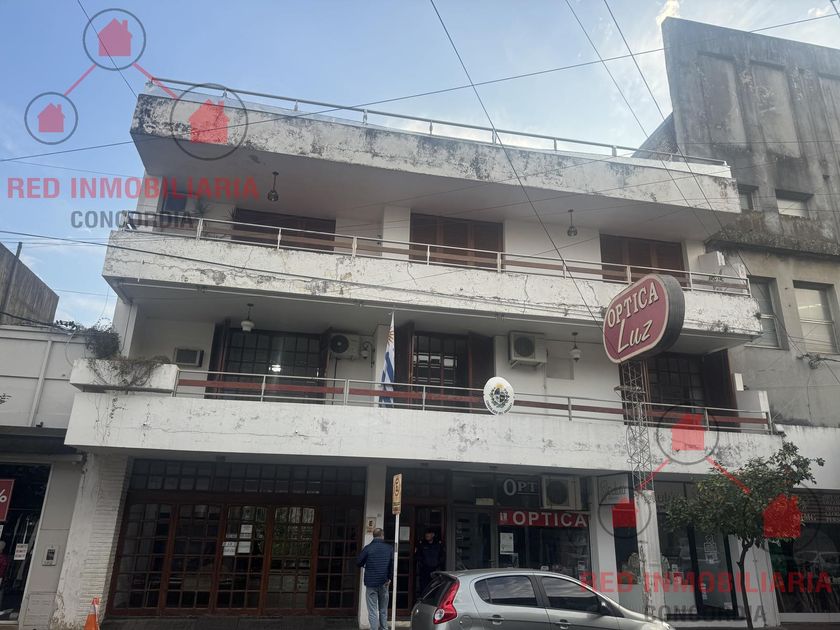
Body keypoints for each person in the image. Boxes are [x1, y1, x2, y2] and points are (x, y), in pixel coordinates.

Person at [357, 528, 393, 630]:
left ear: (373, 536)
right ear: (382, 536)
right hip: (384, 582)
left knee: (372, 610)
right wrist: (390, 578)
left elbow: (358, 562)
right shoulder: (389, 548)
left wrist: (365, 564)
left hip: (371, 583)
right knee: (383, 609)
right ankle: (384, 628)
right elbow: (392, 565)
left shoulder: (368, 548)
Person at [415, 529, 445, 596]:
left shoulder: (438, 544)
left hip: (435, 570)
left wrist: (438, 564)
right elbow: (418, 556)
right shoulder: (422, 544)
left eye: (428, 533)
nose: (427, 535)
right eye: (426, 533)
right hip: (424, 570)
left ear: (433, 535)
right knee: (424, 588)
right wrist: (422, 564)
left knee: (435, 587)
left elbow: (442, 556)